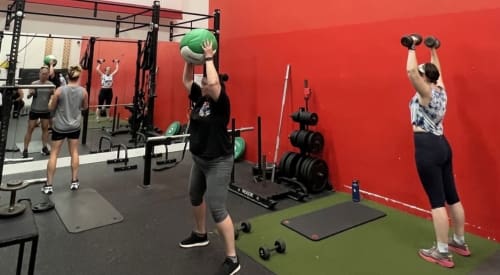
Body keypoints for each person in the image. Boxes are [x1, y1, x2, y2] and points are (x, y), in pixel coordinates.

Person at [405, 37, 470, 268]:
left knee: (437, 202)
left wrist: (412, 46)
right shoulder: (440, 89)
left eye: (422, 71)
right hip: (442, 145)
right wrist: (432, 50)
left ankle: (442, 252)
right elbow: (437, 71)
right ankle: (459, 242)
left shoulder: (426, 95)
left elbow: (411, 72)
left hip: (427, 148)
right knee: (452, 196)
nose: (419, 72)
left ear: (425, 79)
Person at [179, 40, 240, 275]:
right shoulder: (200, 98)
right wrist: (188, 61)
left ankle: (232, 258)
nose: (202, 81)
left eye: (204, 79)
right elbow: (186, 80)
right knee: (195, 195)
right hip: (200, 160)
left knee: (217, 208)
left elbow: (214, 82)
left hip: (218, 161)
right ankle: (200, 234)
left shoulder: (220, 102)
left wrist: (207, 57)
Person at [43, 65, 88, 194]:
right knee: (74, 152)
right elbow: (85, 108)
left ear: (67, 76)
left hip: (60, 127)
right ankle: (74, 181)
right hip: (74, 126)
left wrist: (52, 102)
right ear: (78, 76)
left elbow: (51, 108)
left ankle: (49, 185)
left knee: (54, 154)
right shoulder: (83, 91)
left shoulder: (59, 91)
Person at [22, 66, 54, 158]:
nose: (44, 75)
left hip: (45, 111)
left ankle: (44, 147)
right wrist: (31, 93)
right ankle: (25, 149)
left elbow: (54, 96)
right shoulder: (34, 83)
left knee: (45, 129)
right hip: (35, 110)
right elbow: (28, 96)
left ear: (48, 74)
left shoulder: (50, 84)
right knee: (30, 129)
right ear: (39, 74)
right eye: (43, 73)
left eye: (46, 74)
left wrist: (53, 100)